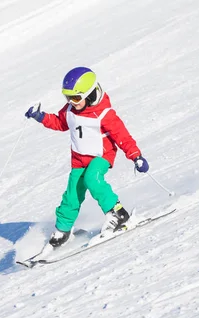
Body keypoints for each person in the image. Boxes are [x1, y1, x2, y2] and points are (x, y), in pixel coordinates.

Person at [24, 66, 149, 249]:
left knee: (93, 178)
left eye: (76, 97)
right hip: (79, 160)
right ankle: (63, 230)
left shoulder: (105, 114)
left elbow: (122, 136)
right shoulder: (70, 110)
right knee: (72, 194)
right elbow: (59, 123)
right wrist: (40, 117)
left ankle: (118, 213)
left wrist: (136, 156)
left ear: (90, 94)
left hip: (101, 156)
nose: (72, 102)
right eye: (68, 97)